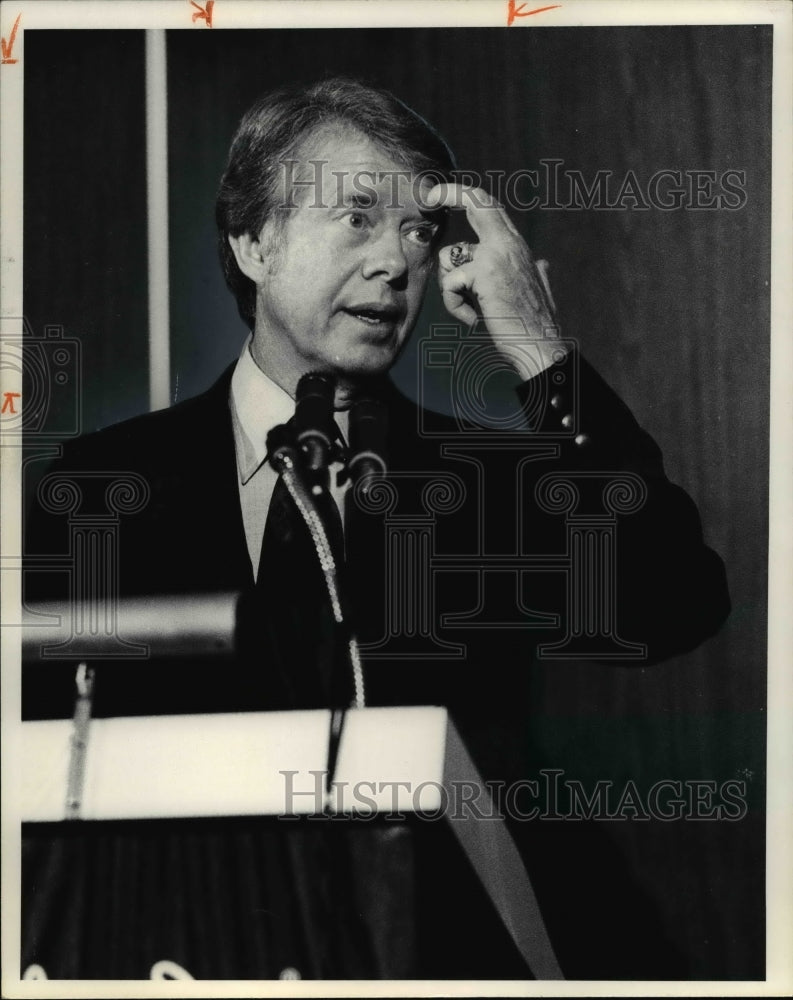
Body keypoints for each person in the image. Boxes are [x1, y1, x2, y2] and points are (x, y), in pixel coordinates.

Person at [22, 78, 730, 980]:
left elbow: (674, 599)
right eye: (356, 218)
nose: (396, 264)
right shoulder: (96, 489)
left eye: (418, 232)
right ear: (252, 241)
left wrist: (536, 346)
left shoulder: (479, 488)